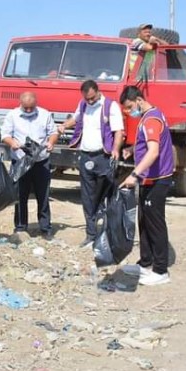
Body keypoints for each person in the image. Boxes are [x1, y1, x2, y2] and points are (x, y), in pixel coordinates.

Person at [119, 86, 175, 286]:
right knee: (144, 221)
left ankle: (160, 271)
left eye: (129, 107)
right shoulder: (149, 116)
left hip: (158, 179)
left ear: (139, 100)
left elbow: (153, 152)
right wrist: (133, 149)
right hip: (148, 179)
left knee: (155, 224)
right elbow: (147, 144)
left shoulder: (151, 118)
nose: (128, 112)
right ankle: (145, 263)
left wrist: (134, 174)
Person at [57, 80, 124, 247]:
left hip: (104, 157)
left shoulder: (110, 106)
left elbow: (118, 131)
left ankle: (108, 233)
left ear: (98, 92)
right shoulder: (83, 104)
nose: (90, 101)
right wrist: (65, 125)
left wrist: (115, 149)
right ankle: (91, 234)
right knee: (87, 197)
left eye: (93, 98)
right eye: (87, 99)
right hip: (86, 156)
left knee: (105, 196)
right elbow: (76, 118)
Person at [0, 92, 59, 239]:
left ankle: (45, 228)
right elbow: (5, 134)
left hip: (41, 161)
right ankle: (20, 227)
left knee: (43, 195)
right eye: (25, 108)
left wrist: (51, 142)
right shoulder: (12, 115)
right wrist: (12, 143)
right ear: (20, 103)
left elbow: (53, 132)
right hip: (21, 161)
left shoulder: (45, 115)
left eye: (31, 108)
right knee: (20, 195)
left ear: (35, 103)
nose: (28, 111)